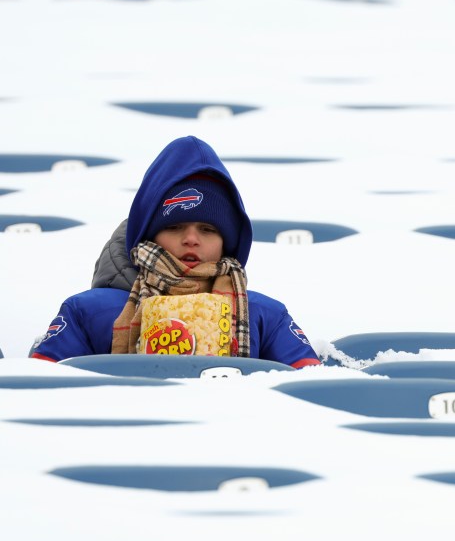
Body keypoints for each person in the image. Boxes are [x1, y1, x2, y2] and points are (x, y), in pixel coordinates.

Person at [31, 136, 321, 368]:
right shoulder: (89, 311)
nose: (191, 239)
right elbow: (42, 393)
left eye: (208, 229)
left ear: (227, 242)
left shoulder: (264, 315)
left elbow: (309, 393)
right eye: (175, 227)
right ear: (149, 234)